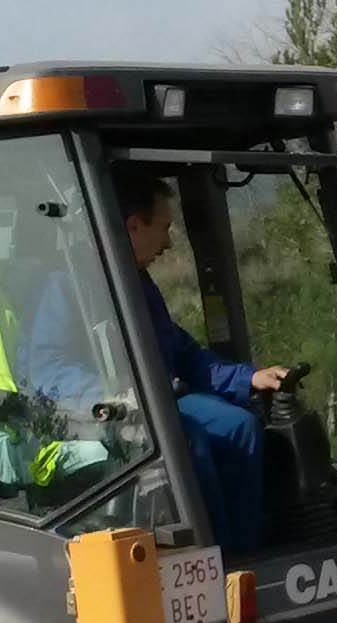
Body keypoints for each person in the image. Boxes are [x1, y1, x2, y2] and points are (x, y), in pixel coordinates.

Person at [115, 171, 290, 552]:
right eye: (164, 227)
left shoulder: (140, 284)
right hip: (119, 411)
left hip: (161, 401)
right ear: (134, 226)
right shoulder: (73, 287)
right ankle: (214, 560)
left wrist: (249, 377)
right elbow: (50, 368)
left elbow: (182, 352)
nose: (169, 240)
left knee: (239, 425)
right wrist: (111, 399)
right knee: (187, 443)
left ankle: (246, 553)